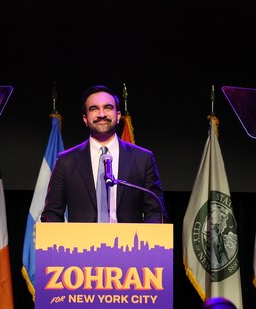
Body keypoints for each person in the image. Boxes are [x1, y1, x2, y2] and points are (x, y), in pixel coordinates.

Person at [40, 84, 166, 223]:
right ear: (85, 119)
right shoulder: (66, 161)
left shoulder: (143, 159)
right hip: (80, 243)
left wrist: (145, 242)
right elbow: (52, 214)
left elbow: (155, 211)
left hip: (129, 243)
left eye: (108, 108)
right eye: (94, 109)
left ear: (118, 116)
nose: (101, 114)